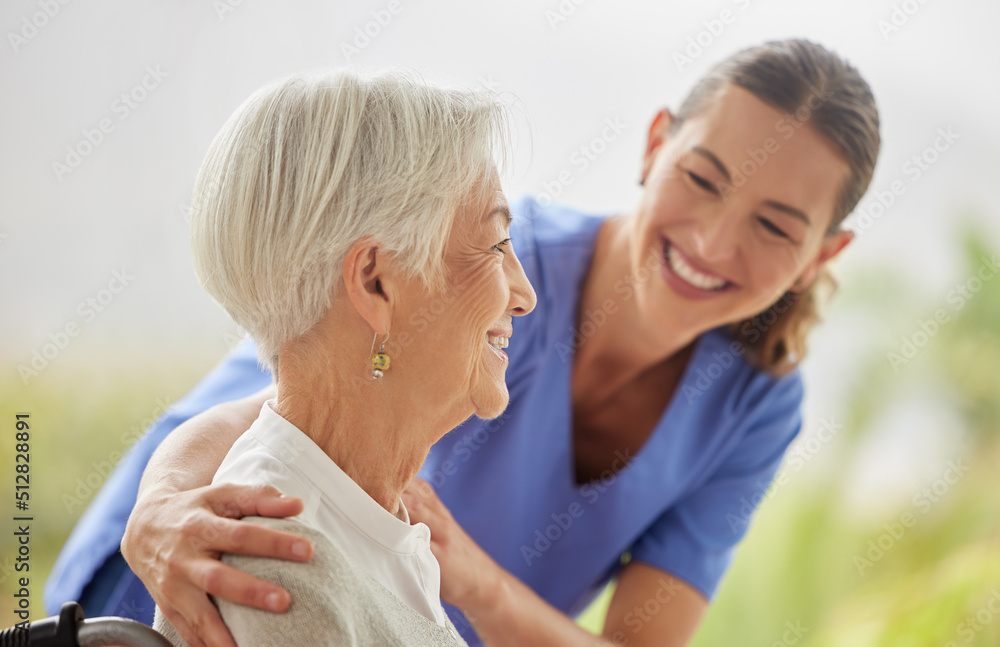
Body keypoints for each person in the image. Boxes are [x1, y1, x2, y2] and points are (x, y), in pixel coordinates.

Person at [46, 39, 880, 647]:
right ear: (656, 143)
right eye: (702, 179)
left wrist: (473, 580)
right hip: (210, 581)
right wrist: (159, 513)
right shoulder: (480, 268)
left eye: (774, 226)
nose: (712, 239)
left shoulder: (754, 406)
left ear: (823, 255)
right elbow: (284, 388)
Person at [139, 68, 537, 645]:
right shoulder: (282, 566)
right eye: (496, 245)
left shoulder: (366, 516)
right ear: (376, 283)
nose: (525, 294)